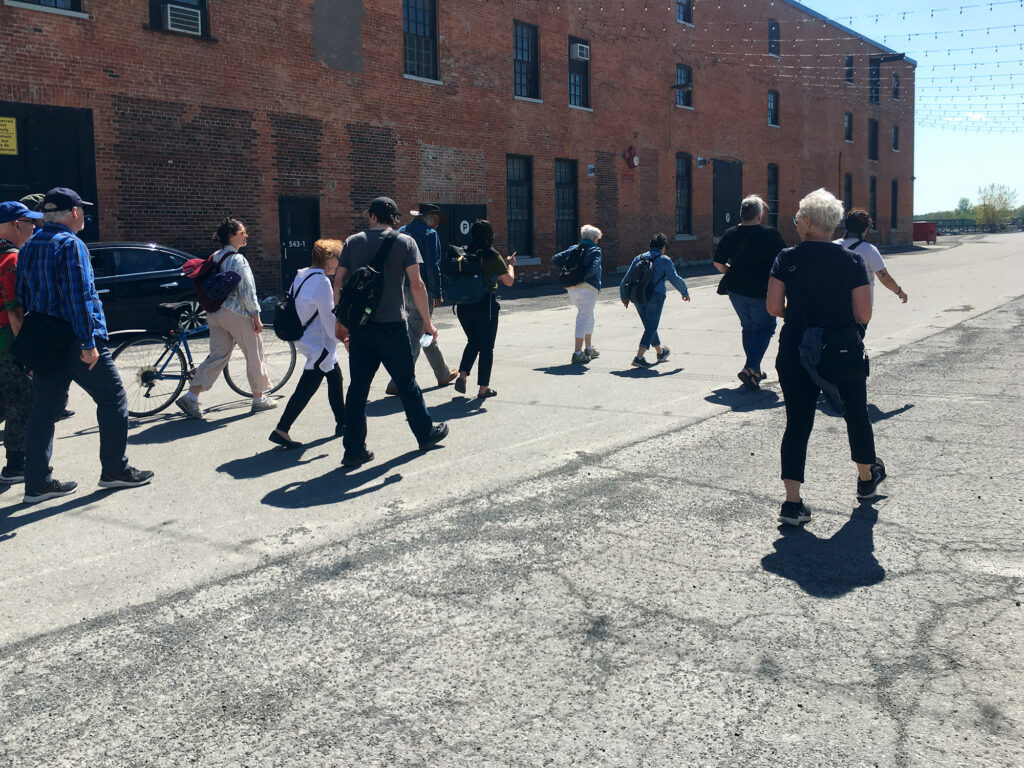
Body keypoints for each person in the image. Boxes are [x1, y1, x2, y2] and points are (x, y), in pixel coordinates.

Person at [16, 187, 153, 503]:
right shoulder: (71, 245)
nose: (83, 218)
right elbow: (77, 298)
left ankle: (37, 483)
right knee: (113, 397)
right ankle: (115, 470)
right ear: (74, 213)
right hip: (76, 339)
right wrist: (88, 343)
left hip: (44, 339)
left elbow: (23, 297)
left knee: (44, 410)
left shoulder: (29, 246)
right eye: (82, 212)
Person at [766, 188, 885, 526]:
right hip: (842, 347)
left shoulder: (786, 258)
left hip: (797, 348)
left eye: (797, 218)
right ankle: (866, 479)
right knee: (856, 414)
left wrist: (797, 315)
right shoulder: (852, 260)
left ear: (806, 221)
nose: (795, 222)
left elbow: (773, 307)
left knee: (797, 423)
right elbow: (863, 314)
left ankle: (792, 503)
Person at [333, 197, 448, 466]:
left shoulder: (352, 242)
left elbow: (338, 282)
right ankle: (425, 434)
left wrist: (340, 320)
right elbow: (417, 285)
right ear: (394, 218)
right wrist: (428, 323)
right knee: (407, 383)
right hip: (393, 326)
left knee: (358, 389)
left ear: (373, 216)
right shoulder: (405, 242)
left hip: (360, 328)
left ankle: (354, 450)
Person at [176, 217, 275, 418]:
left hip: (214, 312)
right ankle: (259, 398)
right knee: (254, 353)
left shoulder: (215, 256)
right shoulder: (238, 260)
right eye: (242, 233)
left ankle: (191, 396)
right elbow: (247, 290)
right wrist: (255, 315)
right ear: (231, 236)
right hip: (236, 312)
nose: (246, 235)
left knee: (218, 355)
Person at [269, 239, 346, 449]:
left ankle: (343, 423)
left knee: (335, 377)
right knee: (307, 387)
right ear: (328, 258)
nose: (339, 264)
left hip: (305, 337)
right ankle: (282, 429)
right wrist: (343, 338)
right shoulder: (322, 282)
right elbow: (329, 319)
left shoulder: (302, 275)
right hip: (319, 344)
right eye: (338, 258)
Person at [713, 194, 788, 390]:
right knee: (765, 328)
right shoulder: (770, 234)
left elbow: (718, 262)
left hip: (736, 290)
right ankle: (751, 367)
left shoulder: (730, 233)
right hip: (762, 290)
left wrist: (732, 272)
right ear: (759, 214)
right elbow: (784, 261)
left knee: (748, 328)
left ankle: (754, 371)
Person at [385, 203, 458, 395]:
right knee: (416, 334)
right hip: (420, 287)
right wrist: (437, 293)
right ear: (430, 218)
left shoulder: (401, 231)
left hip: (401, 287)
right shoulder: (429, 234)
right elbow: (433, 266)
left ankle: (442, 373)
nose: (437, 224)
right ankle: (397, 381)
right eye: (437, 220)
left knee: (424, 330)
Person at [0, 201, 43, 483]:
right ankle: (16, 466)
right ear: (17, 224)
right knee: (23, 400)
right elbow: (15, 311)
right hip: (8, 348)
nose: (34, 227)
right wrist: (28, 353)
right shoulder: (12, 260)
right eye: (30, 222)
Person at [452, 219, 516, 398]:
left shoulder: (463, 251)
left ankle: (462, 375)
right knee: (487, 347)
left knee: (473, 341)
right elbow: (509, 281)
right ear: (489, 235)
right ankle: (483, 388)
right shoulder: (492, 255)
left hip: (463, 306)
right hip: (484, 304)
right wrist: (510, 265)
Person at [619, 233, 690, 368]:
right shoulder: (664, 260)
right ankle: (639, 357)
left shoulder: (638, 258)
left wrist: (624, 296)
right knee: (652, 326)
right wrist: (684, 292)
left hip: (637, 295)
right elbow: (674, 278)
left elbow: (625, 280)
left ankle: (660, 353)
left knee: (649, 325)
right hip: (655, 295)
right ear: (663, 247)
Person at [836, 209, 909, 309]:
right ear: (866, 229)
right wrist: (899, 292)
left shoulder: (832, 246)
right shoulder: (869, 250)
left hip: (833, 306)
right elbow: (885, 278)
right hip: (860, 308)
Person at [552, 225, 603, 364]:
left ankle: (588, 348)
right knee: (583, 317)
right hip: (588, 287)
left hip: (572, 288)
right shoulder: (595, 250)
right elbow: (594, 267)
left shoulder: (573, 248)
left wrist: (569, 275)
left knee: (588, 315)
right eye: (597, 238)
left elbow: (555, 259)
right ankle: (577, 353)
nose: (598, 241)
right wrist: (583, 278)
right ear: (594, 238)